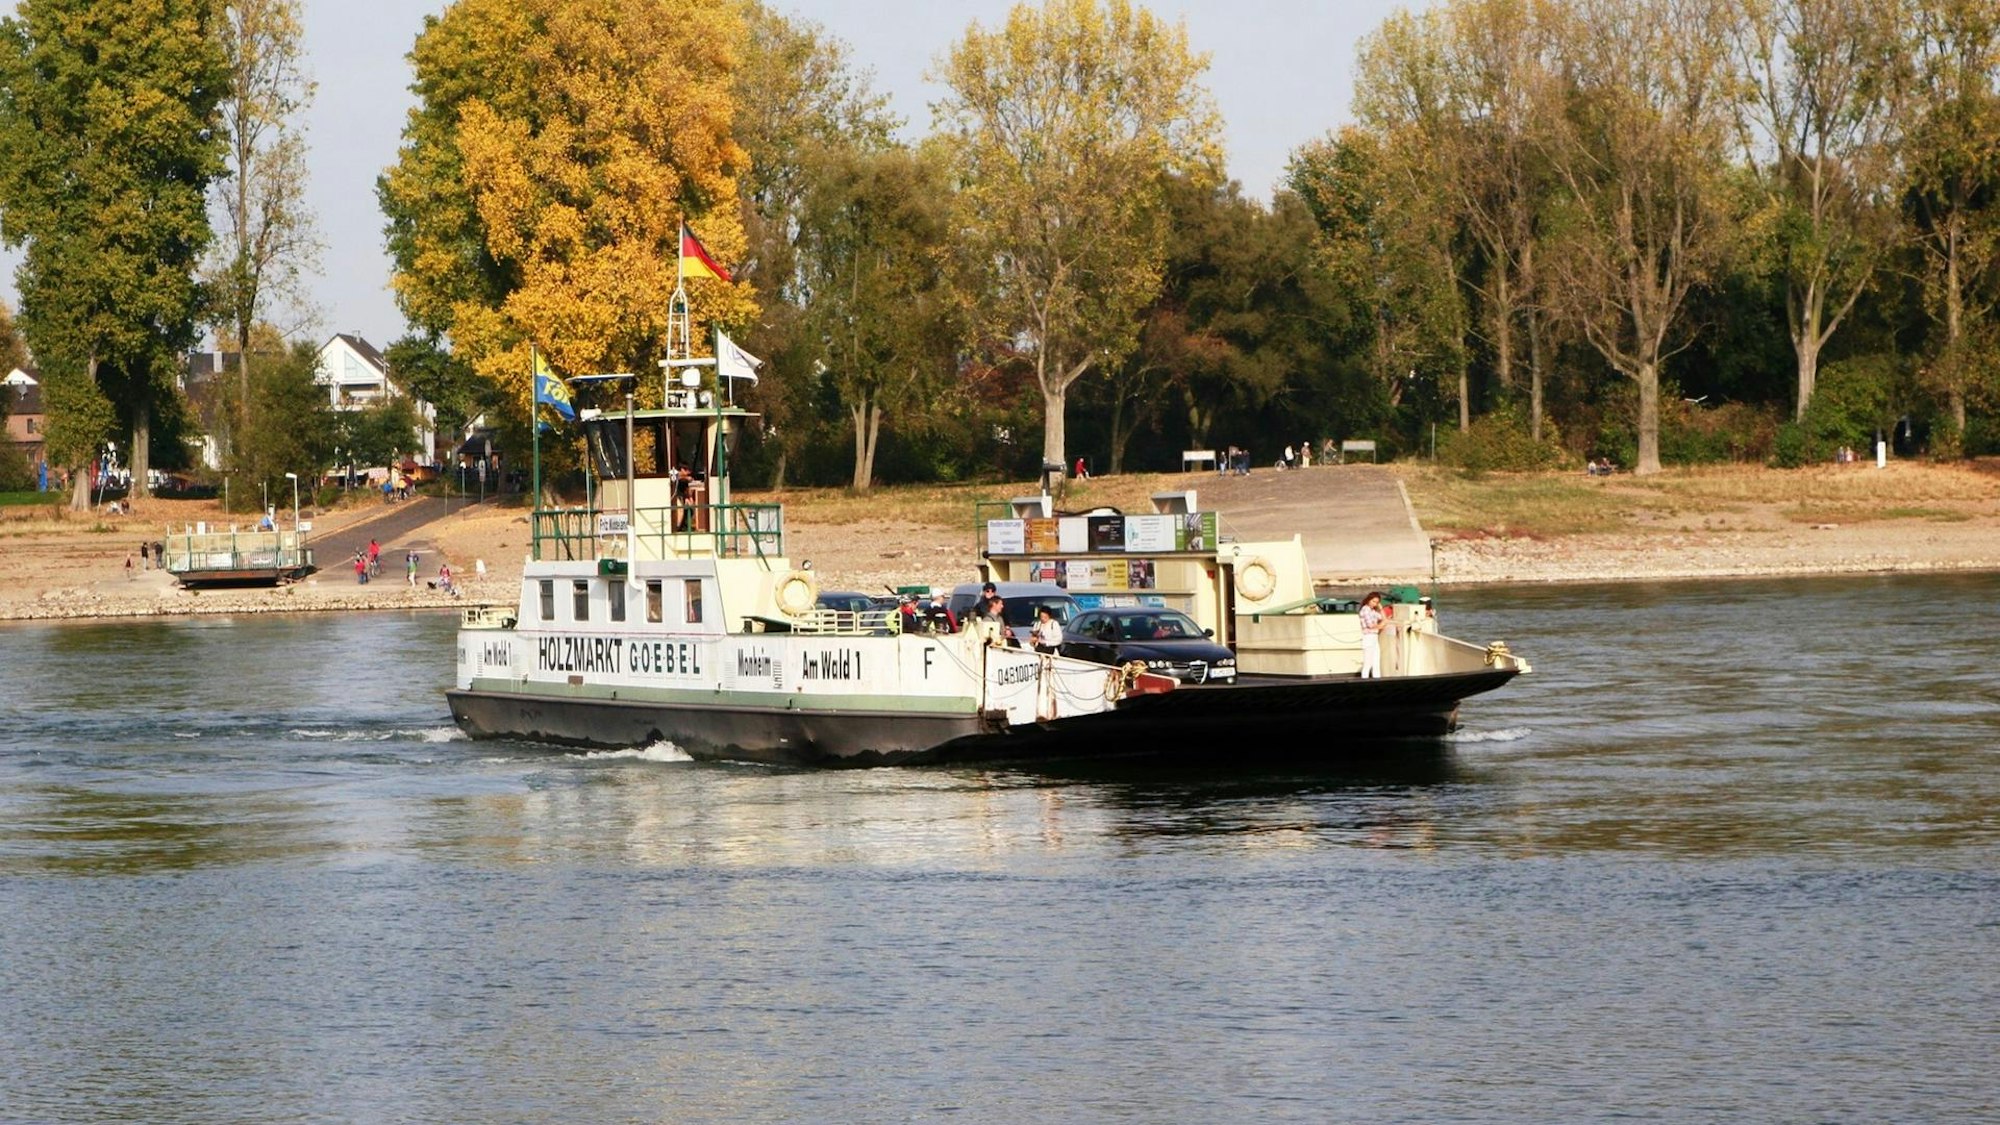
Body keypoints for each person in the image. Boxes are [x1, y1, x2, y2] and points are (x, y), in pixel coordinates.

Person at [1357, 591, 1388, 679]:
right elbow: (1370, 625)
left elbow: (1383, 618)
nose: (1374, 604)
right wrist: (1381, 626)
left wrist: (1381, 609)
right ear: (1368, 600)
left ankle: (1376, 680)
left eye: (1376, 602)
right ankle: (1364, 681)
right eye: (1373, 601)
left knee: (1376, 662)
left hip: (1374, 637)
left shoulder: (1372, 611)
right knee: (1368, 663)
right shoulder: (1365, 609)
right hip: (1368, 637)